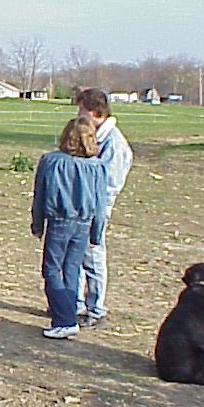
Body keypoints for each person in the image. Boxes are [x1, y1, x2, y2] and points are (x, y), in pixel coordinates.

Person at [31, 116, 107, 339]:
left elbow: (40, 195)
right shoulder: (97, 167)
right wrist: (97, 232)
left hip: (59, 221)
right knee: (72, 269)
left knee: (52, 270)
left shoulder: (51, 161)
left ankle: (64, 320)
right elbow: (100, 205)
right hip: (83, 224)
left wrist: (37, 224)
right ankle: (68, 312)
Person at [75, 88, 133, 326]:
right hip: (82, 206)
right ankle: (76, 304)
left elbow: (108, 185)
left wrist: (94, 212)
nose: (79, 115)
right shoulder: (95, 137)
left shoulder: (115, 145)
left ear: (94, 112)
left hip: (95, 208)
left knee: (93, 256)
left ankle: (96, 308)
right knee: (77, 256)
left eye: (81, 110)